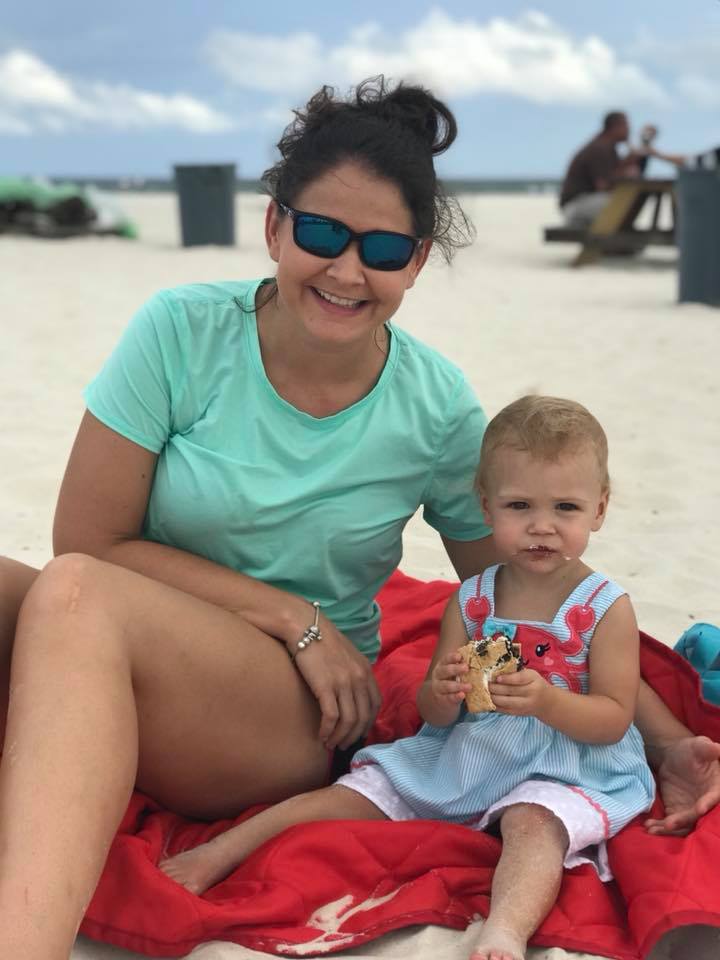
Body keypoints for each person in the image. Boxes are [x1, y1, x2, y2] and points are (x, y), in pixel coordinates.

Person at [0, 76, 718, 960]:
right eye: (319, 233)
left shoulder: (434, 406)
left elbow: (534, 597)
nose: (346, 271)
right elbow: (89, 539)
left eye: (381, 248)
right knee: (54, 587)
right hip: (210, 639)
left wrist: (666, 740)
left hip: (287, 711)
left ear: (416, 262)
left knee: (76, 596)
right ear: (275, 226)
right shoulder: (180, 333)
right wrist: (292, 616)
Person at [158, 395, 656, 960]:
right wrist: (443, 691)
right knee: (355, 791)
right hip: (473, 750)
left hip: (567, 762)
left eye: (566, 508)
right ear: (486, 507)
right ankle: (221, 851)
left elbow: (613, 719)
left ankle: (505, 931)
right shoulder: (473, 599)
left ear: (599, 509)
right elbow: (435, 712)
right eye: (520, 506)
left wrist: (547, 702)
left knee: (535, 823)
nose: (542, 527)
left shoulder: (605, 607)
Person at [559, 111, 646, 228]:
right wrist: (627, 171)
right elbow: (604, 185)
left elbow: (613, 174)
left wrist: (631, 160)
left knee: (625, 202)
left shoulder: (607, 146)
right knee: (620, 202)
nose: (629, 130)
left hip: (584, 202)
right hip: (575, 205)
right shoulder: (600, 147)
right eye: (626, 126)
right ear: (615, 127)